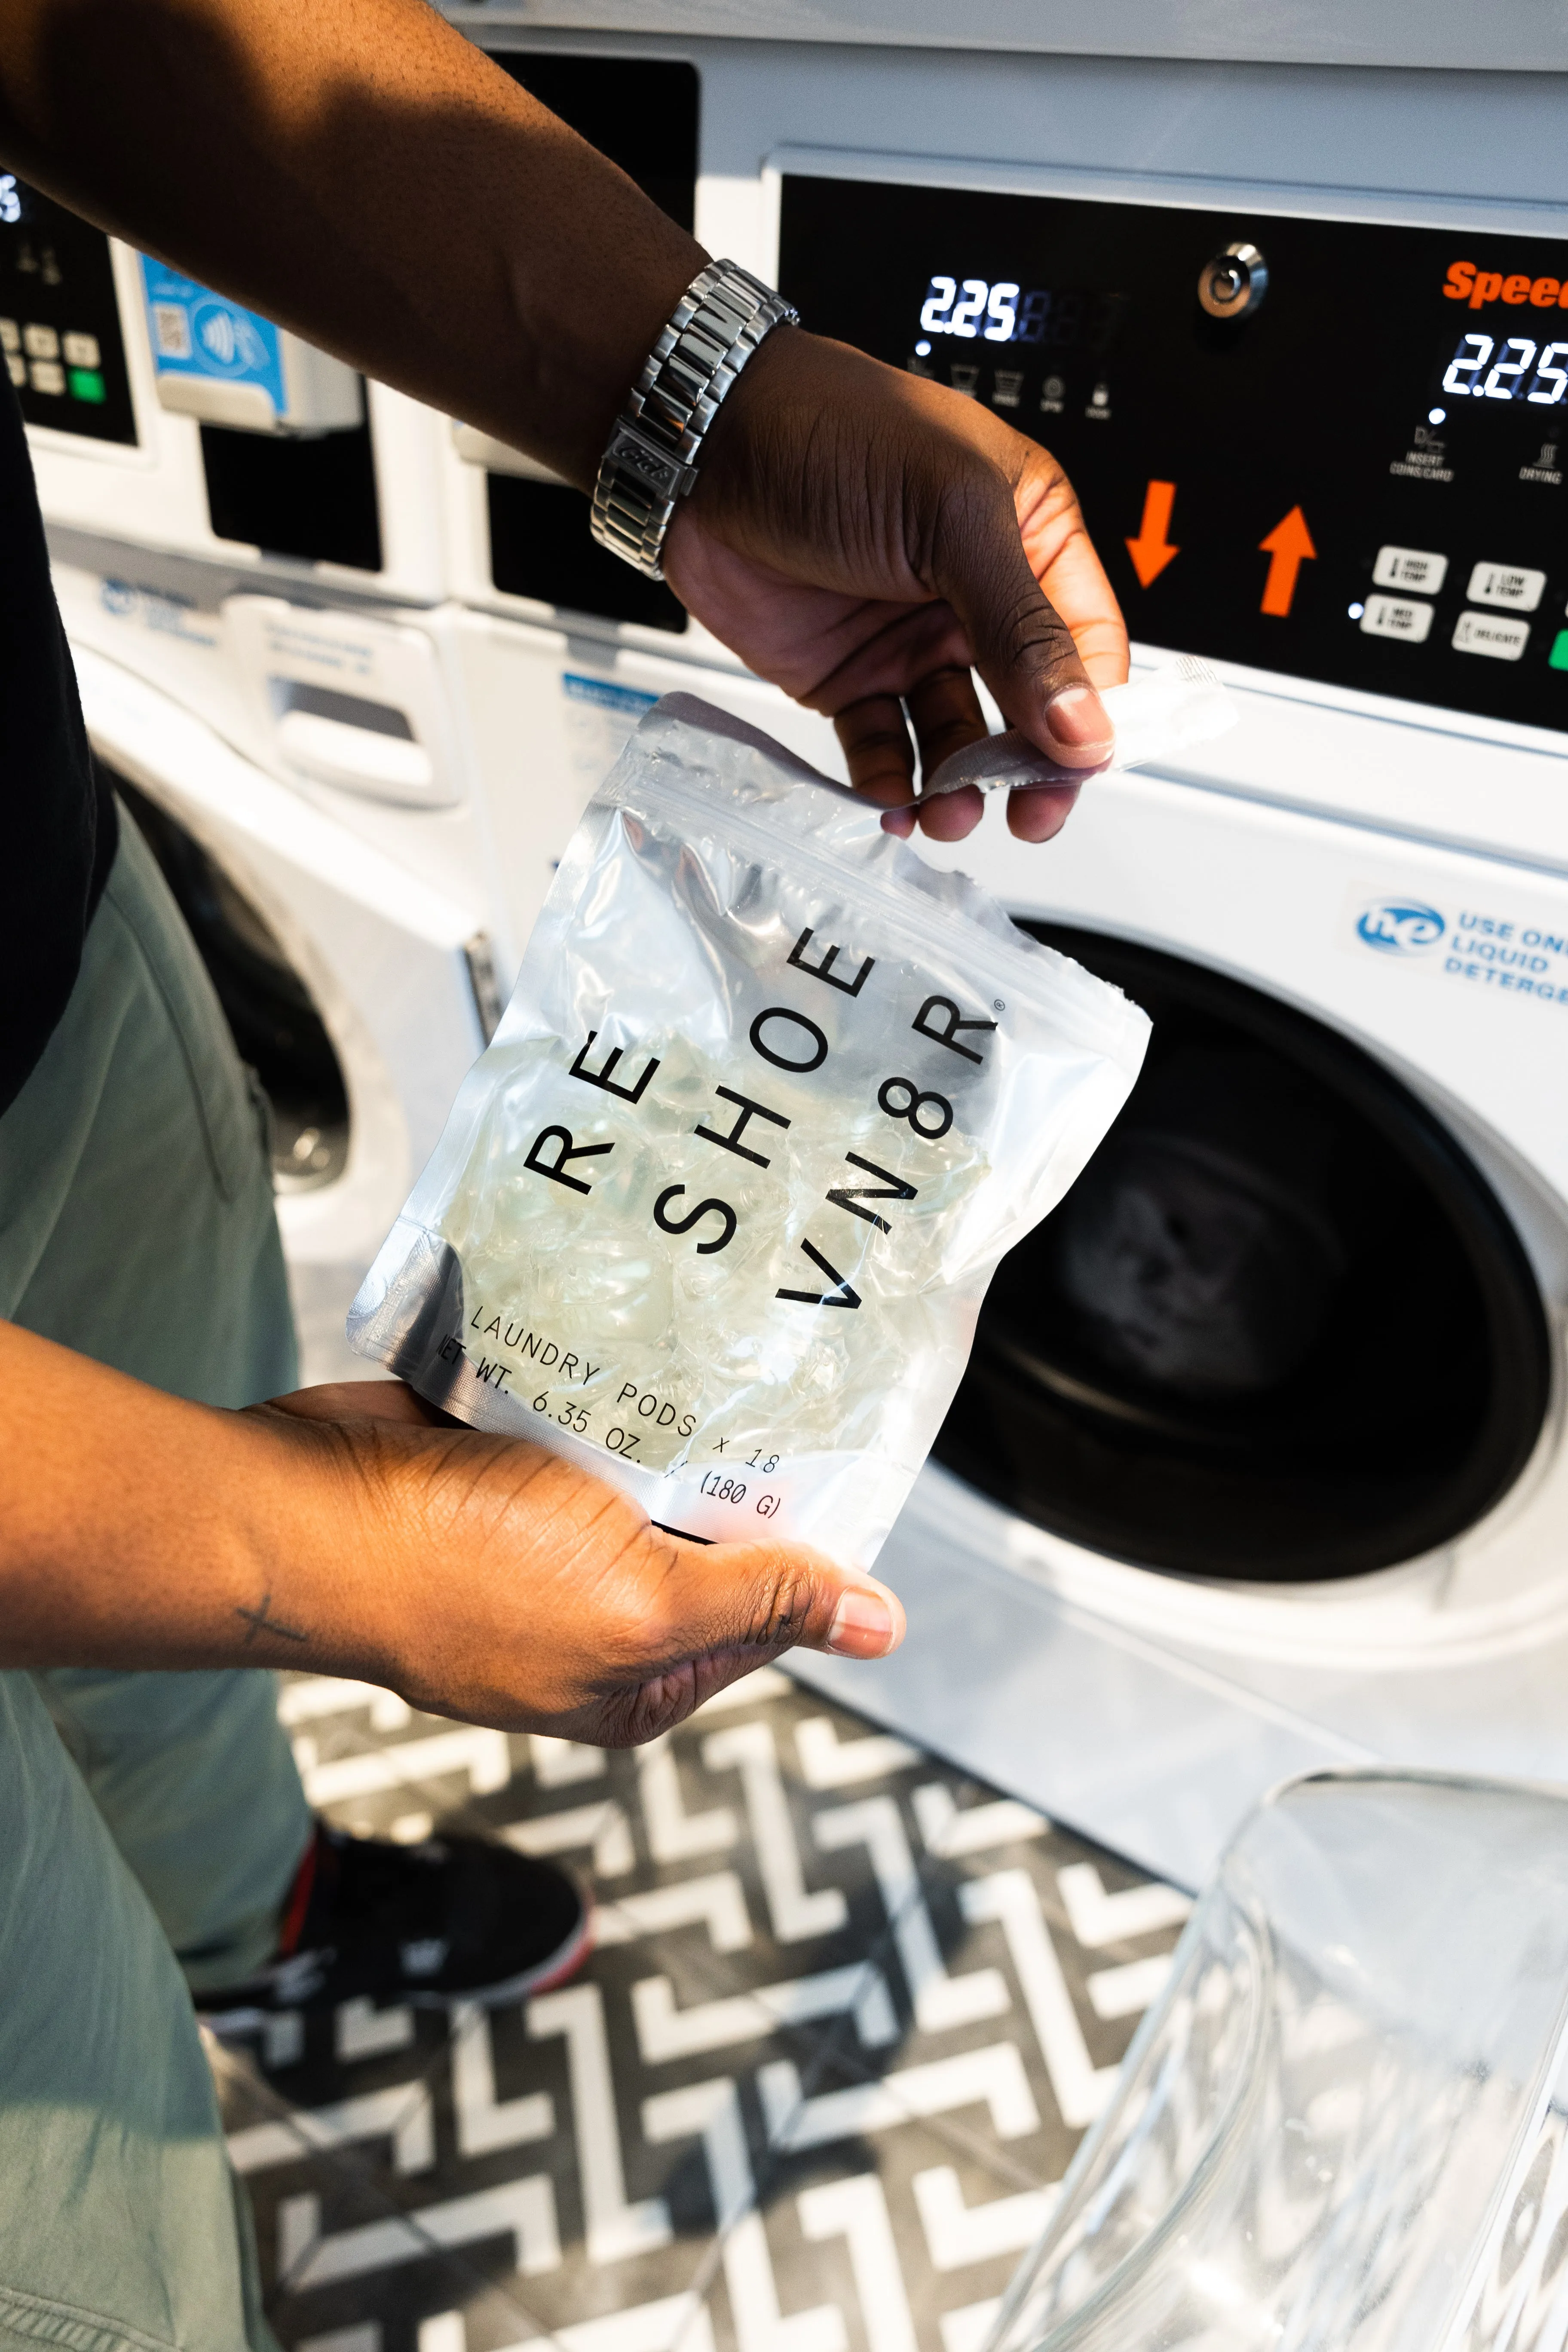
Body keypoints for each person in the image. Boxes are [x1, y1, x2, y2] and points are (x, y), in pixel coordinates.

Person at [0, 0, 1130, 2342]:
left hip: (26, 939)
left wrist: (691, 402)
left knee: (179, 1366)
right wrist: (302, 1550)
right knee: (80, 2225)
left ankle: (254, 1911)